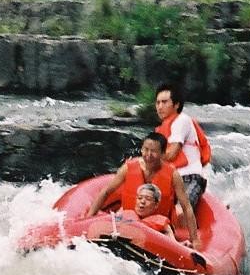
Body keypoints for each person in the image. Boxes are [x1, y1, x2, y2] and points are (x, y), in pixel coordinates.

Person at [154, 84, 212, 251]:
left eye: (164, 102)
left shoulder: (182, 121)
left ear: (176, 104)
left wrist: (148, 158)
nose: (160, 106)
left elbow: (172, 154)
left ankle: (182, 245)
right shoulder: (160, 130)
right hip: (170, 180)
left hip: (191, 178)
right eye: (157, 102)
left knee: (179, 213)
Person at [85, 127, 174, 224]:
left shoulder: (172, 174)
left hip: (155, 226)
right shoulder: (128, 168)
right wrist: (88, 219)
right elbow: (106, 192)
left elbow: (186, 206)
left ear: (162, 154)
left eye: (153, 151)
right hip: (128, 221)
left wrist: (193, 238)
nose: (148, 154)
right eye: (146, 150)